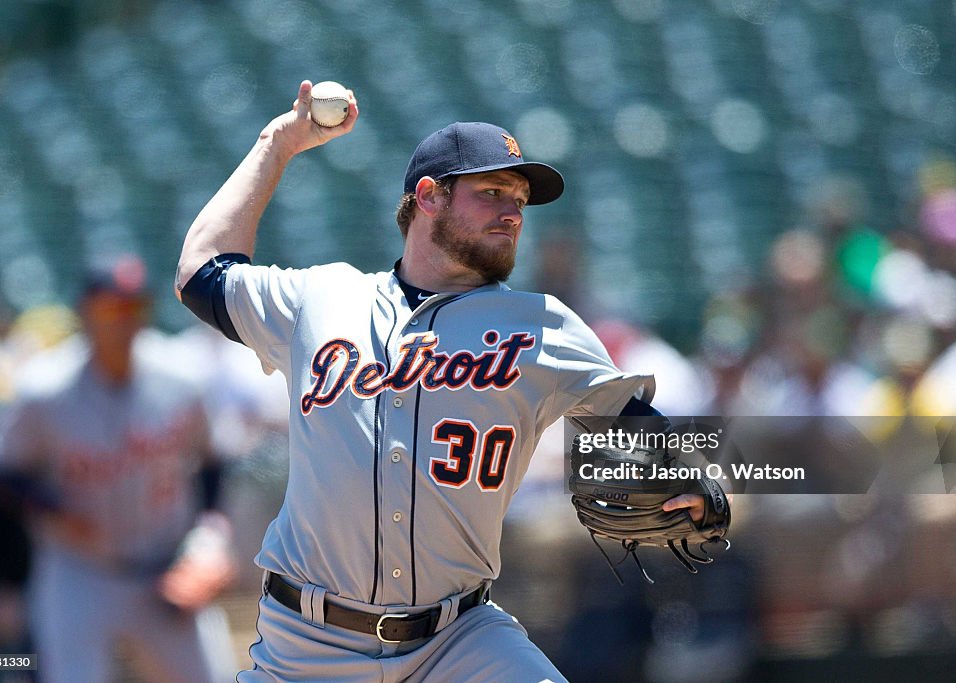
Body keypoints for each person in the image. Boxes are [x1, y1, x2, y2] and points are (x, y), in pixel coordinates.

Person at [175, 79, 705, 682]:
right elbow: (200, 273)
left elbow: (643, 426)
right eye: (492, 191)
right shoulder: (321, 298)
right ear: (428, 196)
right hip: (308, 646)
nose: (512, 212)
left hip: (460, 639)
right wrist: (278, 143)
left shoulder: (540, 325)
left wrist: (693, 479)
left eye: (520, 200)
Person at [0, 256, 237, 683]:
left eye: (133, 307)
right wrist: (47, 509)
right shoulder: (46, 388)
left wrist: (210, 540)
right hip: (80, 573)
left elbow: (214, 461)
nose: (122, 320)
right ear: (84, 313)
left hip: (166, 571)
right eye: (109, 308)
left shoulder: (182, 378)